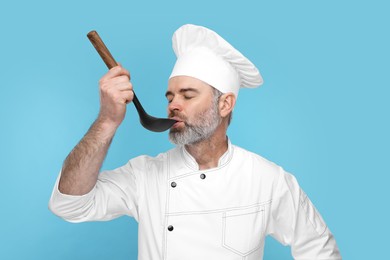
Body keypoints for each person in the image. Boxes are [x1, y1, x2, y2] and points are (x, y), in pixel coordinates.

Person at [49, 24, 341, 260]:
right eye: (170, 97)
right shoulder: (144, 175)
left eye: (187, 95)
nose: (173, 105)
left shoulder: (268, 179)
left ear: (225, 104)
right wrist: (107, 120)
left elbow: (319, 249)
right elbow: (70, 204)